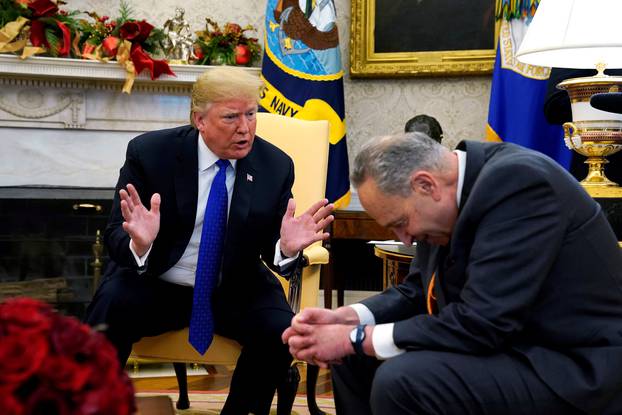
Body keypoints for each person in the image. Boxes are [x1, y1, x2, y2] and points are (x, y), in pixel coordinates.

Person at [283, 132, 622, 414]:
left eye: (401, 223)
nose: (405, 238)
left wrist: (358, 339)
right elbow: (418, 291)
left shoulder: (520, 183)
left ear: (425, 185)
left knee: (402, 379)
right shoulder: (450, 202)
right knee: (352, 361)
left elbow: (483, 322)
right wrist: (350, 320)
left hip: (572, 367)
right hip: (514, 347)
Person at [85, 66, 334, 414]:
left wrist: (286, 248)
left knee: (279, 330)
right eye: (231, 116)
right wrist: (139, 245)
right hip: (159, 280)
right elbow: (115, 235)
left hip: (235, 284)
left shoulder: (274, 165)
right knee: (107, 309)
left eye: (251, 114)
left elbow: (270, 248)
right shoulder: (150, 154)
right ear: (199, 120)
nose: (244, 127)